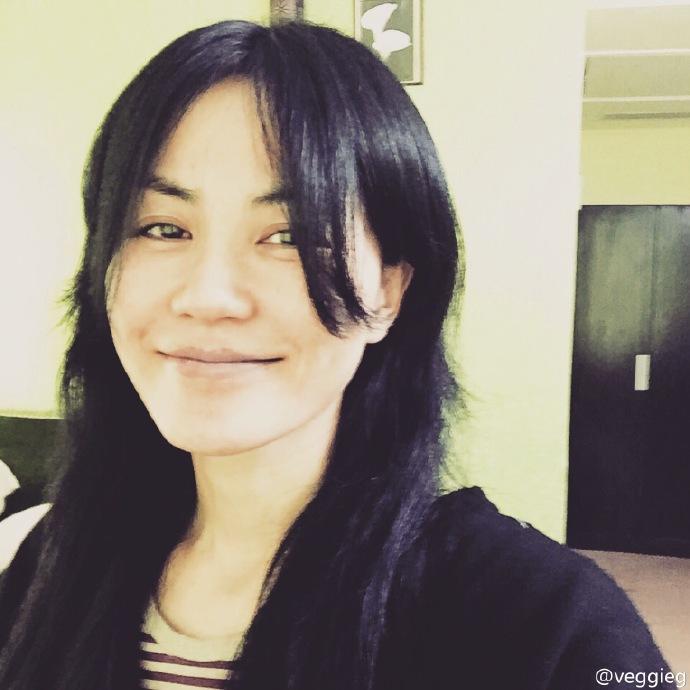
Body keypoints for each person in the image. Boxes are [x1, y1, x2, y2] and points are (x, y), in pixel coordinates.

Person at [0, 19, 681, 690]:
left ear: (389, 290)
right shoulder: (49, 565)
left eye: (290, 235)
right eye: (162, 228)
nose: (208, 296)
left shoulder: (543, 626)